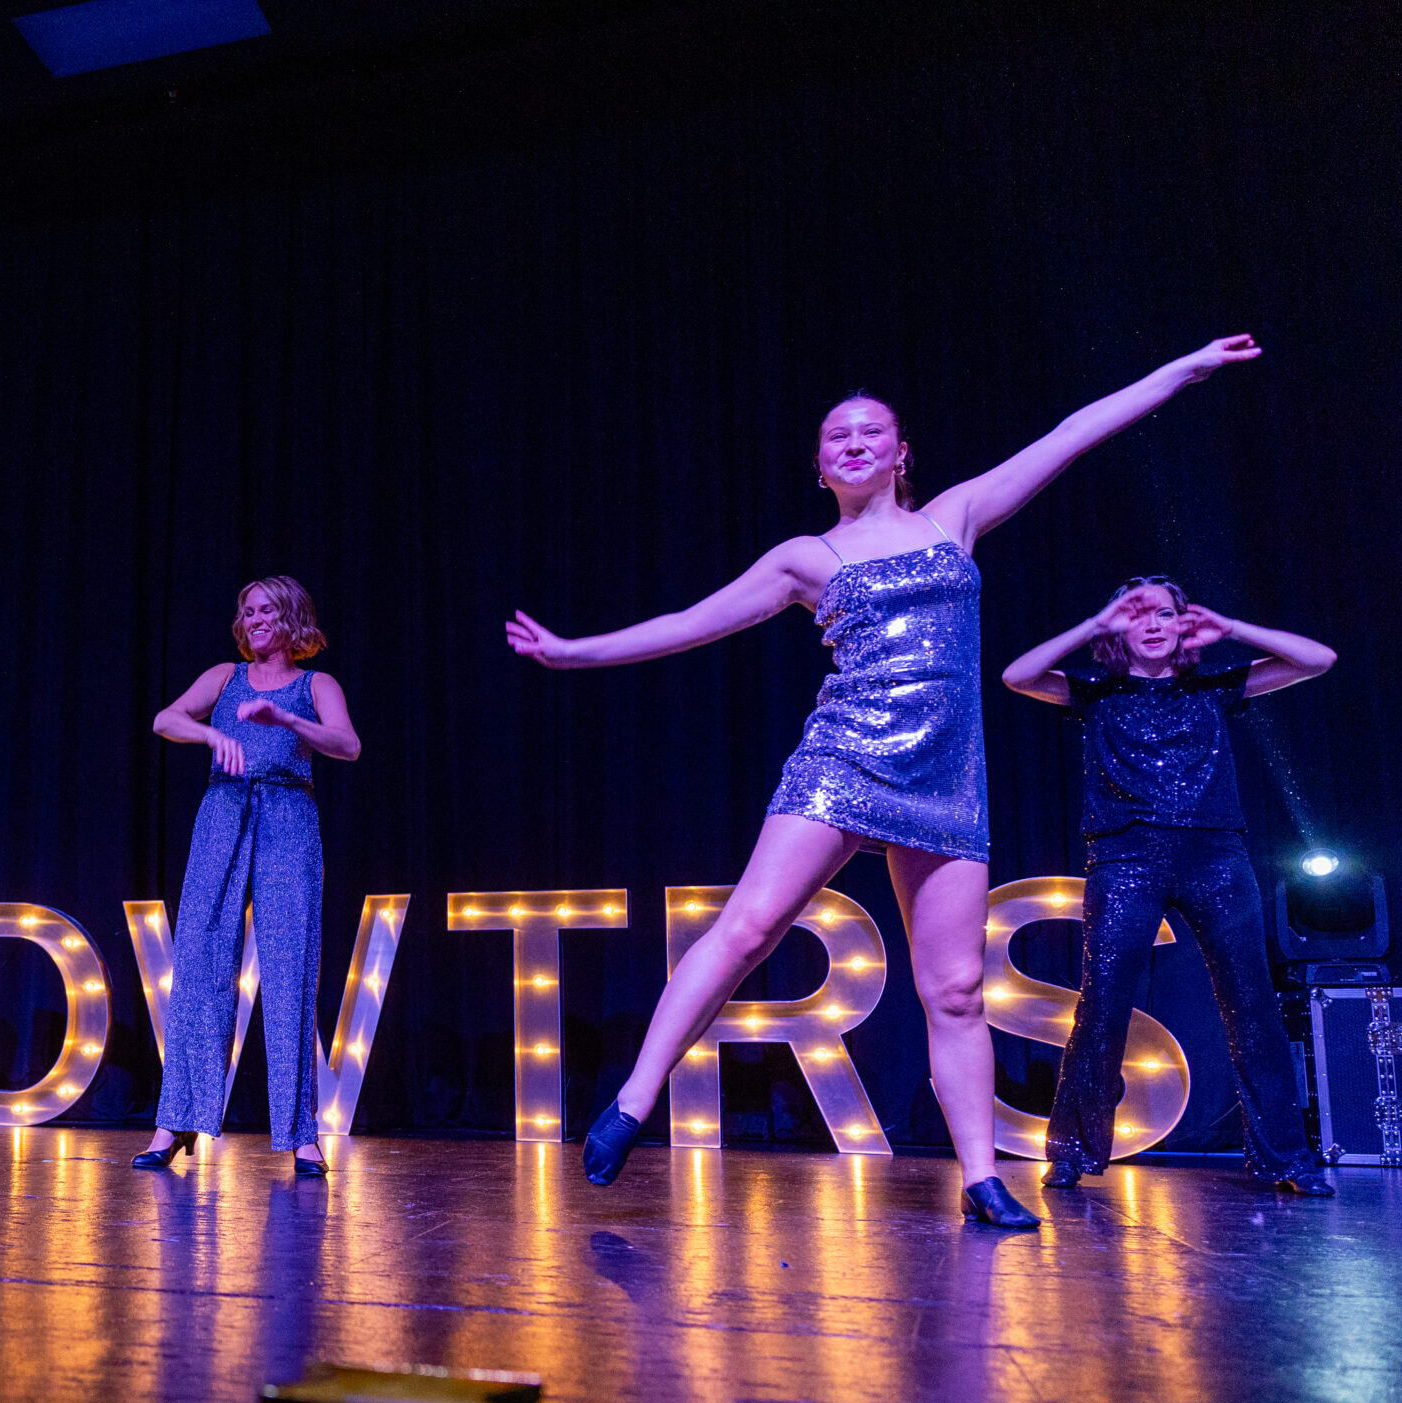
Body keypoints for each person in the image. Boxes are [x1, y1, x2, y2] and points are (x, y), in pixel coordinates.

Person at [505, 335, 1265, 1227]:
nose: (855, 441)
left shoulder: (954, 518)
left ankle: (981, 1177)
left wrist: (1183, 369)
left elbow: (1071, 435)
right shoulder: (806, 557)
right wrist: (575, 652)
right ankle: (635, 1099)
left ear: (902, 452)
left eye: (871, 431)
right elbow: (691, 622)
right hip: (844, 756)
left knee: (956, 989)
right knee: (748, 928)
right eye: (838, 435)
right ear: (820, 466)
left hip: (944, 777)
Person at [1001, 579, 1336, 1195]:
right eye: (1137, 614)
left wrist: (1231, 628)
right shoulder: (1098, 690)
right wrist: (1093, 624)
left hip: (1215, 853)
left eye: (1165, 613)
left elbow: (1319, 659)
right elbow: (1016, 676)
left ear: (1184, 624)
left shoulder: (1212, 684)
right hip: (1125, 856)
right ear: (1118, 627)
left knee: (1252, 1004)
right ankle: (1072, 1150)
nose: (1152, 624)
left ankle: (1287, 1159)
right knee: (1102, 1003)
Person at [136, 577, 361, 1178]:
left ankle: (300, 1134)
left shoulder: (316, 685)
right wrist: (210, 732)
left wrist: (286, 720)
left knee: (291, 969)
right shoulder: (223, 676)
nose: (255, 619)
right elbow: (164, 719)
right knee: (200, 963)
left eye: (267, 610)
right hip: (223, 810)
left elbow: (347, 744)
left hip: (289, 814)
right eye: (249, 611)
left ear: (291, 619)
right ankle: (175, 1121)